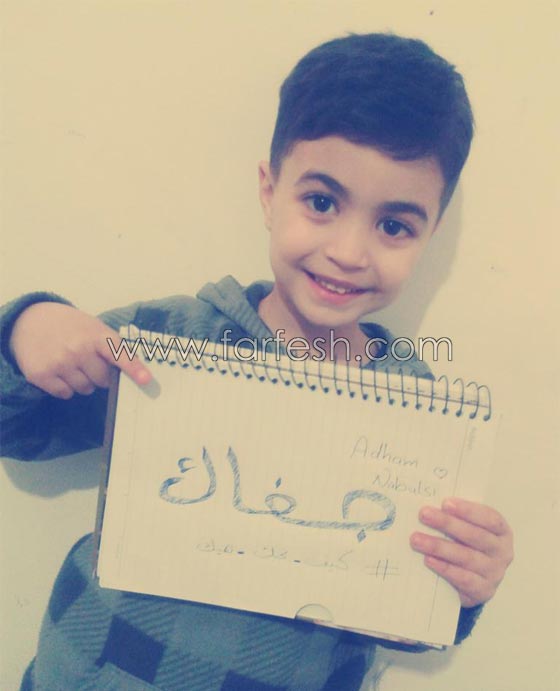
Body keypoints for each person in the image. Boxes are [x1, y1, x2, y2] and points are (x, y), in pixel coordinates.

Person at [1, 32, 513, 691]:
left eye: (393, 225)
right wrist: (27, 330)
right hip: (94, 669)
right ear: (270, 193)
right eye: (322, 202)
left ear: (429, 234)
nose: (349, 252)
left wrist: (463, 583)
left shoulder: (417, 413)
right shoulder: (171, 338)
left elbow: (405, 608)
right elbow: (18, 427)